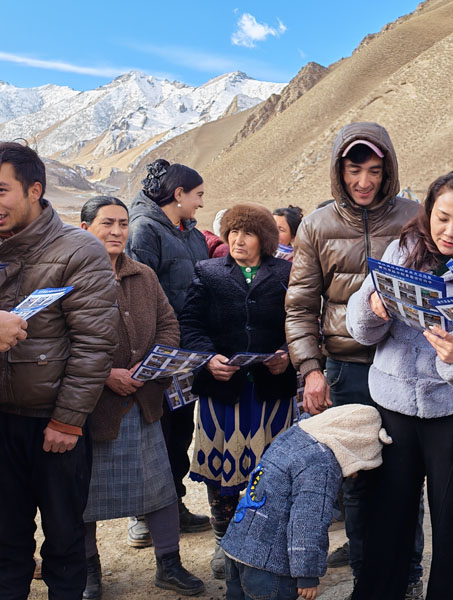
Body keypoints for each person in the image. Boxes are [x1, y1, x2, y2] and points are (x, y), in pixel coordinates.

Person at [347, 170, 453, 599]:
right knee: (386, 521)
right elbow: (359, 327)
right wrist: (372, 308)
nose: (449, 232)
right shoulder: (401, 250)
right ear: (428, 210)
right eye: (442, 218)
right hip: (394, 408)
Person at [284, 122, 422, 594]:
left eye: (374, 171)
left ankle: (408, 576)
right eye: (354, 170)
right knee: (358, 477)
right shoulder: (317, 225)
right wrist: (311, 370)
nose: (364, 181)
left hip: (403, 363)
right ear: (338, 172)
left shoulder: (414, 217)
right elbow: (300, 305)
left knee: (405, 475)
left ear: (388, 172)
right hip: (347, 370)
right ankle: (368, 578)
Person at [0, 142, 118, 599]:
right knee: (6, 544)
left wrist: (68, 420)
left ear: (34, 189)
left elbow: (94, 345)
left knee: (65, 543)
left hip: (54, 426)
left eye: (2, 190)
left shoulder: (78, 250)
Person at [79, 196, 204, 598]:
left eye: (122, 223)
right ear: (85, 230)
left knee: (160, 486)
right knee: (82, 495)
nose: (117, 231)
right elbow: (62, 341)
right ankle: (89, 572)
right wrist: (105, 375)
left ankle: (169, 564)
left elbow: (169, 326)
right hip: (91, 405)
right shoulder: (72, 278)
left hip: (144, 399)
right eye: (107, 223)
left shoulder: (145, 276)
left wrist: (148, 368)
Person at [180, 203, 297, 579]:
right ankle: (224, 543)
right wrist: (207, 357)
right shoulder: (208, 272)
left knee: (270, 469)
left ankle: (264, 541)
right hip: (223, 391)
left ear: (264, 239)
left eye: (246, 233)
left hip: (270, 391)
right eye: (232, 232)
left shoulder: (285, 273)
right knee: (222, 470)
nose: (237, 240)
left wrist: (288, 355)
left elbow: (300, 321)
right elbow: (190, 323)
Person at [221, 404, 392, 600]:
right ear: (352, 446)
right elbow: (307, 522)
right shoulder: (322, 464)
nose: (354, 475)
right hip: (269, 568)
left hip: (235, 546)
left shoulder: (294, 437)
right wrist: (307, 575)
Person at [126, 158, 212, 544]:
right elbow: (138, 294)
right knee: (151, 434)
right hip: (156, 354)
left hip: (186, 354)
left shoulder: (191, 234)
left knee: (178, 432)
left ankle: (172, 502)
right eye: (197, 196)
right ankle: (143, 515)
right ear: (178, 195)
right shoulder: (144, 230)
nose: (200, 204)